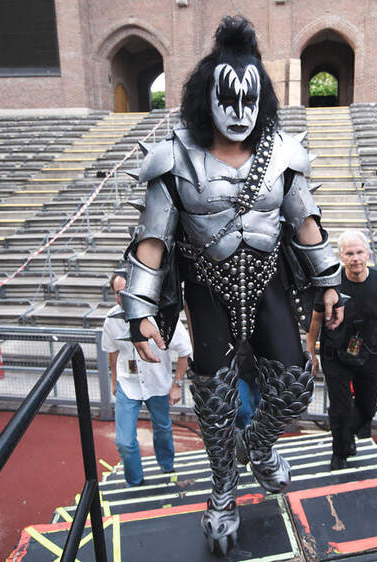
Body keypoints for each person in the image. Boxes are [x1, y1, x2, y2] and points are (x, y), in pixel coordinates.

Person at [114, 16, 343, 554]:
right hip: (205, 287)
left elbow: (307, 222)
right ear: (207, 97)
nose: (239, 113)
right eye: (228, 99)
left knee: (294, 384)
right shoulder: (174, 157)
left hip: (267, 282)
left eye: (249, 99)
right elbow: (153, 240)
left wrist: (330, 282)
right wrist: (139, 309)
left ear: (260, 97)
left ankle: (258, 449)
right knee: (214, 400)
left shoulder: (283, 153)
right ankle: (222, 491)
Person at [306, 230, 377, 470]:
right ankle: (340, 452)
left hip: (369, 355)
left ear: (368, 254)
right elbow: (315, 320)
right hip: (335, 355)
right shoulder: (330, 285)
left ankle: (346, 435)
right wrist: (311, 353)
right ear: (341, 257)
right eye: (349, 253)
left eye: (359, 252)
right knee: (340, 408)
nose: (355, 258)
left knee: (367, 408)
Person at [102, 273, 192, 487]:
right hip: (128, 384)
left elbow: (185, 350)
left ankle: (167, 465)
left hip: (157, 383)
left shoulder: (162, 316)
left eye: (128, 292)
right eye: (118, 293)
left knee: (162, 427)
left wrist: (177, 384)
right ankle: (135, 482)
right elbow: (112, 351)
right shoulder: (111, 320)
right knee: (124, 442)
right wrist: (114, 379)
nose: (124, 298)